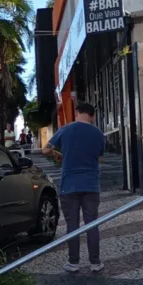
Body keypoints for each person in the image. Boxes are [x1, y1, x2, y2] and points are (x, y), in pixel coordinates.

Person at [42, 103, 106, 273]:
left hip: (69, 184)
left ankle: (73, 262)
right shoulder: (99, 134)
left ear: (77, 113)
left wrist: (58, 154)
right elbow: (100, 158)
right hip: (91, 185)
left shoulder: (65, 129)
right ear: (91, 116)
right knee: (92, 223)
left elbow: (45, 150)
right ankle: (95, 262)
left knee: (72, 224)